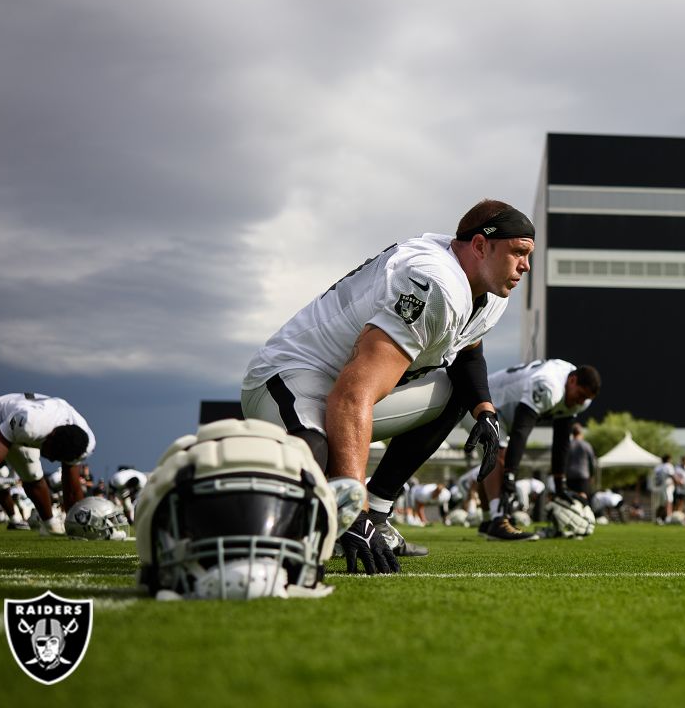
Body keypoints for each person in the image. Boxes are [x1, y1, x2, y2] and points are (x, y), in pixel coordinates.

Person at [239, 198, 536, 573]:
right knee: (313, 455)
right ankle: (259, 525)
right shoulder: (435, 280)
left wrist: (486, 410)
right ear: (480, 246)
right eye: (518, 252)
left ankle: (379, 513)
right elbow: (352, 395)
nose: (526, 266)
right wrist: (351, 509)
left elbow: (467, 351)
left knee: (453, 393)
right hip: (288, 377)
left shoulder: (488, 290)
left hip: (346, 386)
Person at [468, 359, 600, 540]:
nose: (581, 401)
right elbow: (521, 431)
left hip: (503, 412)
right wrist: (510, 475)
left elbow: (562, 440)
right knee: (498, 455)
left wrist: (560, 485)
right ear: (572, 381)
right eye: (581, 395)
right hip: (484, 401)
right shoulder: (548, 385)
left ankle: (487, 522)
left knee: (493, 460)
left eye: (585, 399)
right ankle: (498, 521)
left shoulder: (578, 398)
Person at [0, 393, 95, 540]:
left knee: (33, 476)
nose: (50, 460)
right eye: (52, 453)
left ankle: (50, 525)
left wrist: (76, 523)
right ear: (51, 435)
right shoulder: (30, 423)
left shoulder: (83, 443)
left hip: (21, 426)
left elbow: (71, 490)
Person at [565, 422, 598, 498]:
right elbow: (592, 462)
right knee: (583, 497)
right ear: (581, 433)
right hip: (583, 476)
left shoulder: (568, 445)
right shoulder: (586, 445)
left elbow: (564, 461)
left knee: (571, 497)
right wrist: (592, 475)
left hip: (570, 476)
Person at [649, 454, 676, 523]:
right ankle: (668, 518)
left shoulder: (658, 467)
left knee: (661, 504)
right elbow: (672, 475)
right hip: (667, 487)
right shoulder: (668, 466)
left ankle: (658, 518)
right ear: (668, 459)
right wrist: (679, 482)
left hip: (658, 487)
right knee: (668, 502)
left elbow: (654, 478)